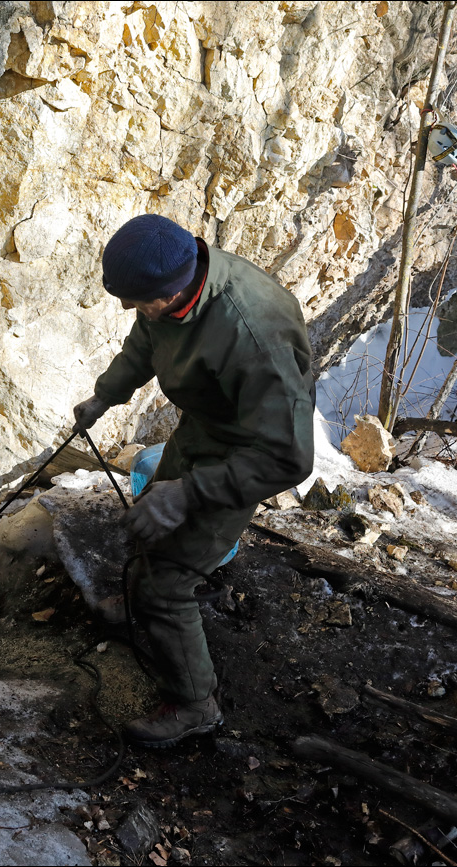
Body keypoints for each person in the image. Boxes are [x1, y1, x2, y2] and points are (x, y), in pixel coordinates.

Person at [73, 214, 316, 747]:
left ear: (172, 289)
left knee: (167, 585)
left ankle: (194, 704)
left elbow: (289, 458)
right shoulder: (178, 286)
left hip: (246, 455)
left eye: (137, 299)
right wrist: (106, 394)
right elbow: (146, 339)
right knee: (150, 529)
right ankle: (141, 608)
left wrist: (189, 493)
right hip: (204, 427)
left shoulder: (255, 335)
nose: (127, 309)